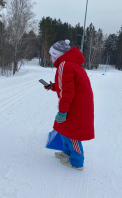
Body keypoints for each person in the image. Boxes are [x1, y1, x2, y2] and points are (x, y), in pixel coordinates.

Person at [45, 39, 94, 171]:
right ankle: (67, 153)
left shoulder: (64, 65)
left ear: (56, 55)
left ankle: (77, 162)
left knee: (72, 134)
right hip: (76, 104)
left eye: (51, 55)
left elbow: (67, 92)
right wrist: (53, 86)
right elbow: (66, 86)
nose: (50, 57)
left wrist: (62, 111)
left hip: (75, 106)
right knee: (63, 128)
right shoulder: (69, 64)